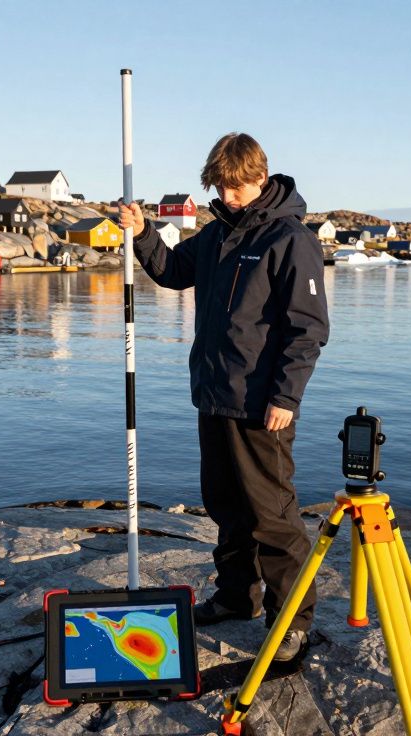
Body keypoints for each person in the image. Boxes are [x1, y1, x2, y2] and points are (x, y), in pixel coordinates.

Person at [118, 133, 329, 662]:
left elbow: (307, 330)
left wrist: (286, 396)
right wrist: (143, 233)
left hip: (262, 405)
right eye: (222, 187)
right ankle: (238, 597)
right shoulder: (216, 237)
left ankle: (292, 623)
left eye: (237, 187)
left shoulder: (291, 239)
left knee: (273, 515)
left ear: (261, 178)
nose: (230, 196)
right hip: (214, 395)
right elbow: (171, 272)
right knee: (226, 506)